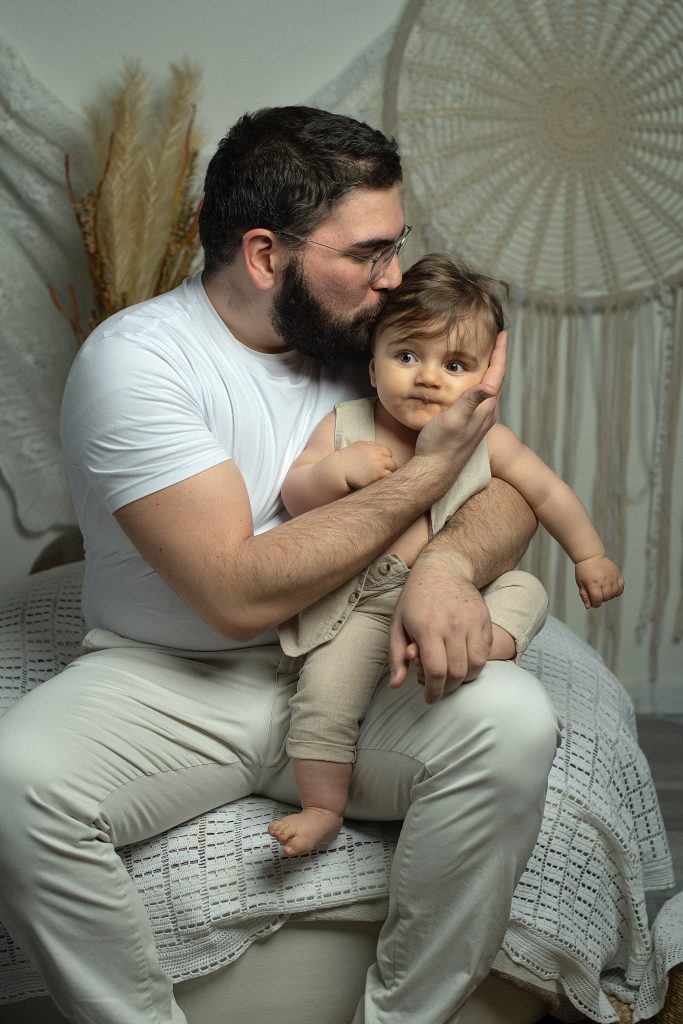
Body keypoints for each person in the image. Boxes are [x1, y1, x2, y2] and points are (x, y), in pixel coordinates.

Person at [0, 106, 562, 1024]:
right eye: (366, 254)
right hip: (176, 682)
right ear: (265, 257)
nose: (392, 281)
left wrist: (443, 570)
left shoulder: (376, 337)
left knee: (513, 721)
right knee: (14, 784)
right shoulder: (140, 362)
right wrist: (424, 475)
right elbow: (231, 592)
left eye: (397, 247)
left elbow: (507, 486)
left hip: (363, 654)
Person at [269, 252, 624, 858]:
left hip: (461, 598)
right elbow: (294, 494)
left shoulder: (490, 441)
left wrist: (589, 555)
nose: (429, 377)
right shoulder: (347, 425)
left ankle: (473, 645)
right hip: (365, 606)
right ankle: (323, 805)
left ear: (487, 374)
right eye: (407, 356)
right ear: (373, 365)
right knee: (323, 694)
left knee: (527, 592)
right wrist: (334, 472)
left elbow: (547, 493)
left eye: (455, 364)